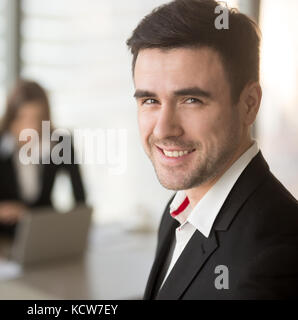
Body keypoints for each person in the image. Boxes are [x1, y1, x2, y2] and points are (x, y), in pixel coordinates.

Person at [127, 0, 298, 299]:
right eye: (150, 101)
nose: (164, 128)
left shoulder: (278, 255)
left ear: (249, 104)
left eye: (191, 100)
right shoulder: (179, 210)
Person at [0, 80, 86, 236]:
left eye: (37, 119)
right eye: (23, 118)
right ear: (10, 118)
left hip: (43, 234)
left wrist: (25, 213)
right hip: (0, 238)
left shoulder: (61, 143)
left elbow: (80, 202)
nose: (31, 128)